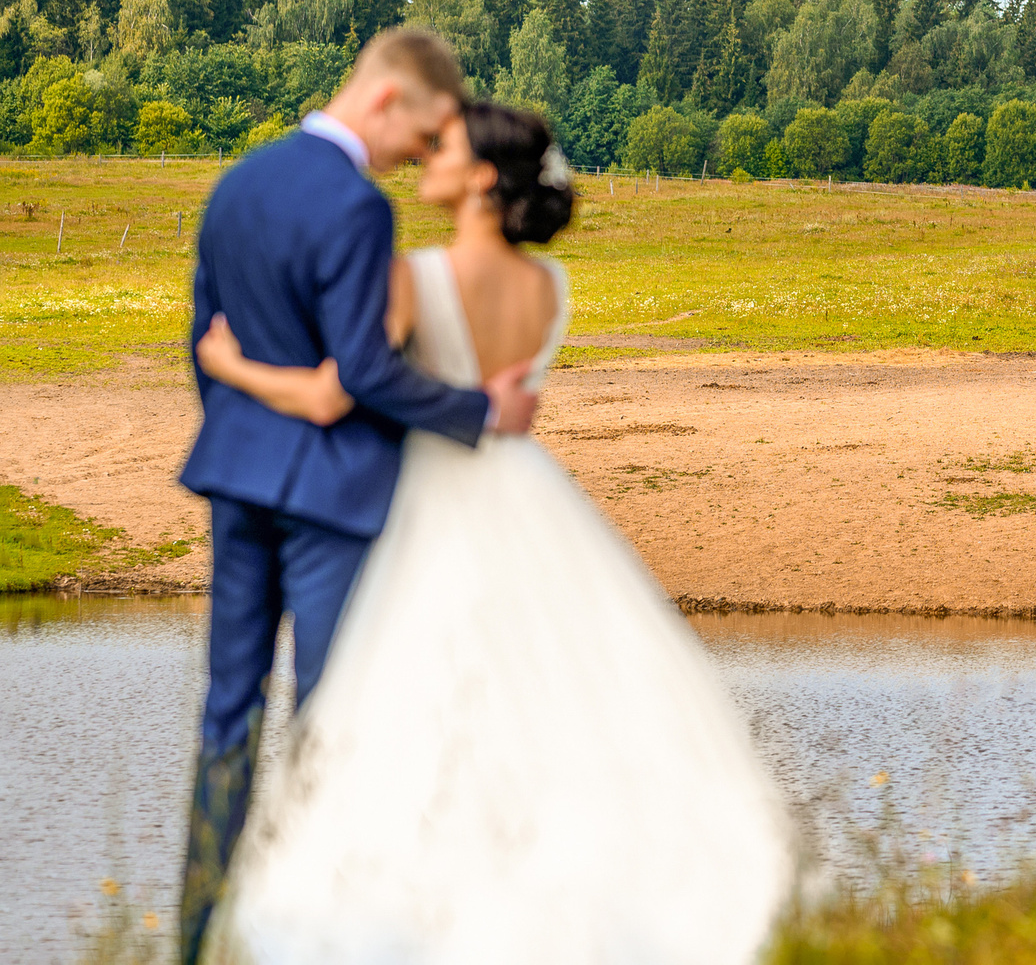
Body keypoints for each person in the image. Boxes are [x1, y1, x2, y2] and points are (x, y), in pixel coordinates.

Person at [197, 98, 796, 964]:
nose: (425, 157)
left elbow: (336, 393)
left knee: (404, 701)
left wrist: (231, 366)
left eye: (443, 148)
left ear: (481, 177)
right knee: (532, 696)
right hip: (525, 495)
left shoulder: (414, 275)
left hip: (426, 499)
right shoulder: (549, 288)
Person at [178, 30, 540, 964]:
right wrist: (478, 411)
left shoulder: (238, 181)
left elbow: (203, 340)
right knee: (327, 716)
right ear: (386, 102)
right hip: (331, 494)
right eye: (418, 138)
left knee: (228, 716)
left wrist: (242, 424)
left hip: (236, 475)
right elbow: (369, 372)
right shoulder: (355, 206)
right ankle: (306, 933)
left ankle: (197, 936)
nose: (415, 157)